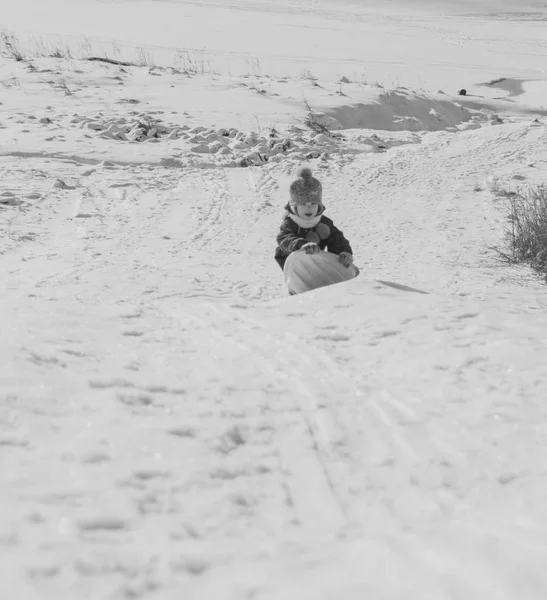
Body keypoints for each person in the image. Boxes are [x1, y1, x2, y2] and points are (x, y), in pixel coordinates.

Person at [274, 167, 354, 271]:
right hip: (293, 267)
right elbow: (284, 238)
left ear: (319, 206)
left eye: (313, 204)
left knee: (329, 234)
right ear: (295, 207)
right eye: (302, 204)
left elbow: (337, 239)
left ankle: (331, 274)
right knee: (286, 250)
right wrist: (302, 245)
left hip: (316, 264)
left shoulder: (324, 222)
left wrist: (343, 253)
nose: (309, 207)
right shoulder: (290, 222)